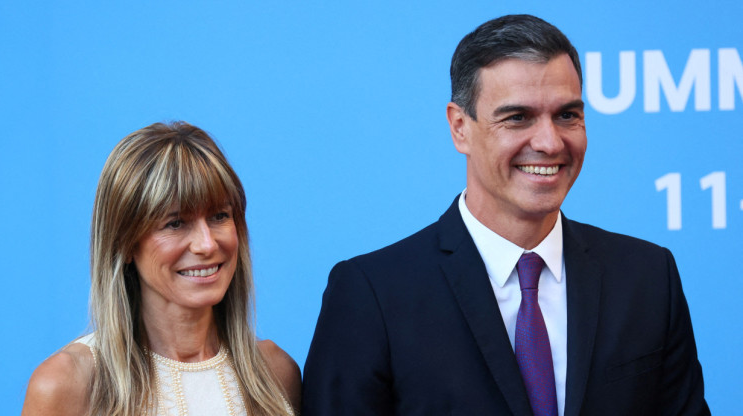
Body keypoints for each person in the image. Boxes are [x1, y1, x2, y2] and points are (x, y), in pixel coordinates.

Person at [302, 14, 709, 416]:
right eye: (518, 118)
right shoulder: (372, 295)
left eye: (567, 115)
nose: (550, 142)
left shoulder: (648, 277)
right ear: (460, 127)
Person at [23, 122, 300, 415]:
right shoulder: (66, 383)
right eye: (175, 223)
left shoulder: (276, 372)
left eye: (219, 216)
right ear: (125, 242)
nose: (206, 245)